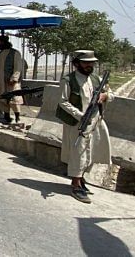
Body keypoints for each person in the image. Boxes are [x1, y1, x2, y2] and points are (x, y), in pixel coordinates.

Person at [56, 50, 113, 204]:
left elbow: (110, 93)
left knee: (93, 151)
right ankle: (75, 185)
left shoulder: (96, 78)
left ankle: (81, 180)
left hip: (96, 120)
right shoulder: (68, 80)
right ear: (77, 63)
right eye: (86, 62)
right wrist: (80, 115)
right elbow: (63, 101)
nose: (89, 65)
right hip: (78, 122)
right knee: (78, 153)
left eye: (91, 63)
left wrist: (104, 96)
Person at [0, 35, 23, 124]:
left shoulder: (15, 53)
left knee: (14, 99)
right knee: (2, 100)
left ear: (3, 42)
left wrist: (14, 78)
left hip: (11, 82)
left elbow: (18, 67)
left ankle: (17, 118)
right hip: (0, 81)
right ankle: (7, 117)